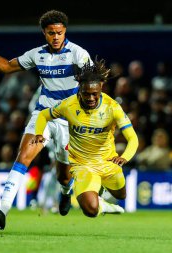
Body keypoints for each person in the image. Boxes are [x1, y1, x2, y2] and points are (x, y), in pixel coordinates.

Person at [0, 10, 92, 229]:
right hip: (44, 116)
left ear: (65, 31)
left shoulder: (78, 54)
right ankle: (2, 210)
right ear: (44, 33)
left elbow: (94, 81)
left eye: (59, 32)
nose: (56, 37)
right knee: (24, 156)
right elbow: (5, 66)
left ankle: (66, 192)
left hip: (69, 122)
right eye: (51, 33)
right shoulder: (36, 55)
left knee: (64, 176)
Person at [33, 58, 139, 217]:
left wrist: (125, 157)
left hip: (107, 161)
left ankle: (101, 192)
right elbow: (43, 115)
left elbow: (133, 138)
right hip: (82, 165)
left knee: (121, 195)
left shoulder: (112, 107)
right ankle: (102, 205)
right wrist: (39, 133)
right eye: (85, 94)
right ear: (79, 89)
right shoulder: (68, 105)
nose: (90, 98)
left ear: (101, 88)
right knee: (90, 210)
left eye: (94, 94)